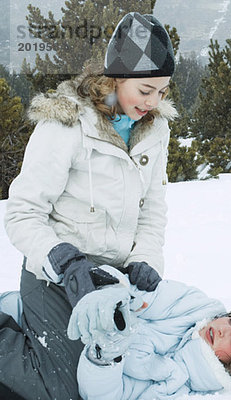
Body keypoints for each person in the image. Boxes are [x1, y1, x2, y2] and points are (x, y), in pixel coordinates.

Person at [0, 12, 176, 400]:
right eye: (146, 90)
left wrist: (145, 259)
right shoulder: (67, 125)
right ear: (116, 77)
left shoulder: (155, 129)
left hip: (110, 279)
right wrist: (63, 259)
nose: (154, 102)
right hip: (54, 275)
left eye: (162, 91)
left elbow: (153, 209)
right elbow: (22, 212)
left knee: (108, 374)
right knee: (62, 390)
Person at [0, 270, 231, 400]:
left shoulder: (176, 386)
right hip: (67, 302)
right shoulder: (195, 305)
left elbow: (107, 396)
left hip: (69, 347)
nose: (225, 327)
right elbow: (140, 290)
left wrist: (107, 356)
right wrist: (119, 294)